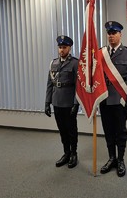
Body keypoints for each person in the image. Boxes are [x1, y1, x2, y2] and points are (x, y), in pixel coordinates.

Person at [99, 21, 127, 177]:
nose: (111, 36)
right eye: (109, 33)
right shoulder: (101, 53)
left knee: (120, 131)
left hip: (120, 99)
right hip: (104, 99)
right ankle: (111, 158)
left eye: (114, 33)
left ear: (120, 34)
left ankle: (121, 160)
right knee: (108, 131)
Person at [45, 35, 79, 169]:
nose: (61, 50)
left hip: (69, 103)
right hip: (57, 101)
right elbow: (49, 84)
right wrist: (47, 102)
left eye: (64, 47)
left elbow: (79, 85)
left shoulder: (75, 63)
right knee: (62, 130)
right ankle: (66, 153)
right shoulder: (53, 63)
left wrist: (76, 103)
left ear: (69, 48)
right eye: (60, 47)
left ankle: (74, 154)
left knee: (71, 130)